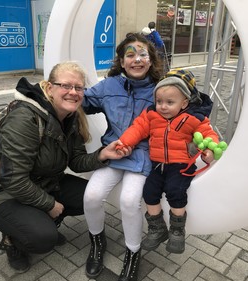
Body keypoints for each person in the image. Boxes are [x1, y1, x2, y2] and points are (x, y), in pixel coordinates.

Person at [0, 61, 129, 273]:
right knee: (43, 239)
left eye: (79, 88)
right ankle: (12, 241)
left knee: (91, 196)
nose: (73, 92)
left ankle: (41, 220)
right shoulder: (24, 118)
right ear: (50, 88)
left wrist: (103, 155)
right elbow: (12, 178)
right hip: (4, 193)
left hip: (46, 183)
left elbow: (76, 162)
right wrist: (50, 205)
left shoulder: (70, 118)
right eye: (66, 86)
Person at [82, 33, 163, 281]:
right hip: (114, 151)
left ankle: (133, 252)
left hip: (143, 157)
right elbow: (80, 101)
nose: (136, 60)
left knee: (129, 201)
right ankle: (97, 242)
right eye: (130, 55)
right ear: (121, 60)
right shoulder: (109, 86)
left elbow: (184, 109)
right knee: (92, 196)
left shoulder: (161, 88)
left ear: (151, 61)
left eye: (142, 55)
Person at [117, 69, 219, 254]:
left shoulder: (194, 118)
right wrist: (125, 142)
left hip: (181, 164)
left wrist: (210, 150)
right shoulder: (151, 115)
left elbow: (209, 134)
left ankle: (177, 230)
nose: (163, 106)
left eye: (170, 102)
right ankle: (157, 228)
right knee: (149, 192)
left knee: (176, 192)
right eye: (159, 101)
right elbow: (137, 129)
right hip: (157, 164)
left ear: (184, 103)